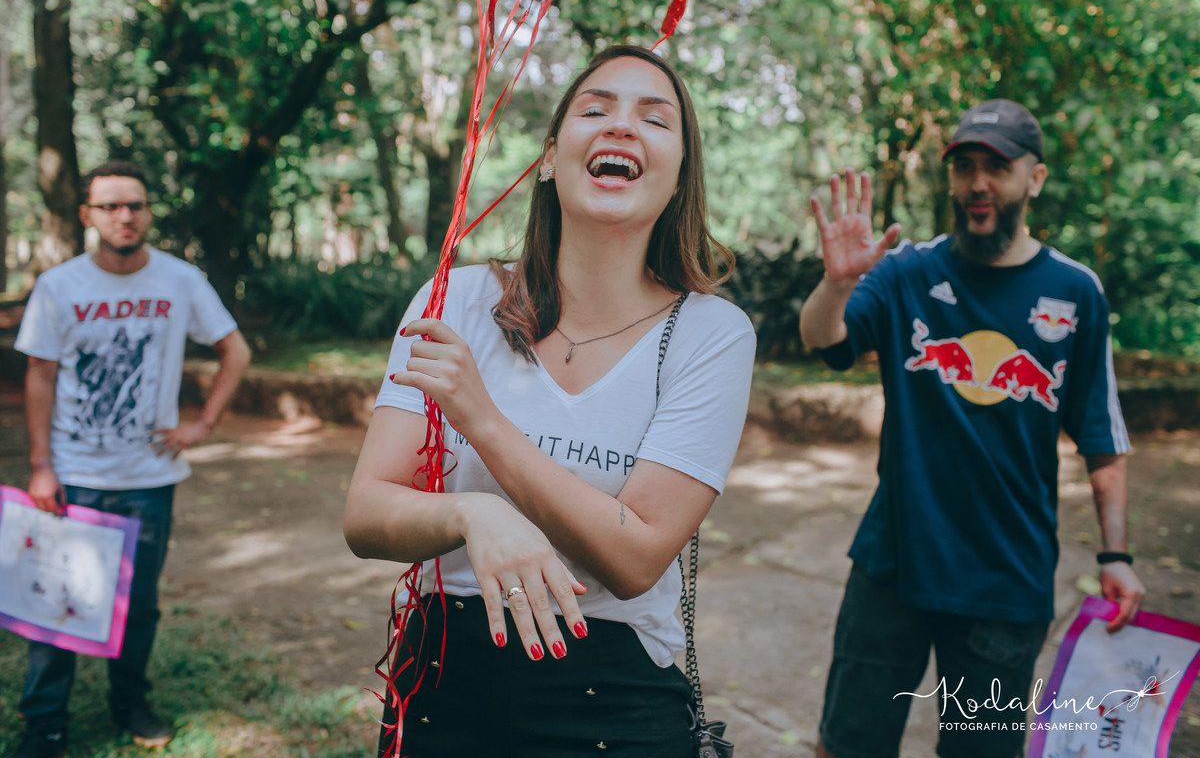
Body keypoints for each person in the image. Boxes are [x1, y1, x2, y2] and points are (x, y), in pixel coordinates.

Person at [343, 44, 755, 757]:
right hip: (445, 681)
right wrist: (473, 513)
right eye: (595, 109)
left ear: (680, 174)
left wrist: (486, 425)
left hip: (616, 695)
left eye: (654, 120)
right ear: (548, 156)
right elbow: (366, 515)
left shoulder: (710, 334)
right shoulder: (459, 299)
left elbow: (635, 558)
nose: (621, 127)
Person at [799, 99, 1145, 758]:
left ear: (1033, 179)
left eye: (997, 166)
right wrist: (837, 285)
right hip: (892, 564)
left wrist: (1116, 554)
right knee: (846, 747)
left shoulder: (1076, 291)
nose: (979, 183)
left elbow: (1101, 438)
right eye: (965, 167)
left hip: (1006, 582)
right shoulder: (906, 272)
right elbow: (826, 339)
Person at [11, 160, 251, 757]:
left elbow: (235, 350)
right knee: (54, 604)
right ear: (89, 215)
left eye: (136, 205)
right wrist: (42, 464)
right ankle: (45, 724)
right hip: (74, 474)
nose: (126, 216)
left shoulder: (180, 280)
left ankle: (129, 701)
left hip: (149, 477)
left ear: (148, 212)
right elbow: (39, 376)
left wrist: (203, 423)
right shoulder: (60, 286)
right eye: (112, 206)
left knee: (137, 604)